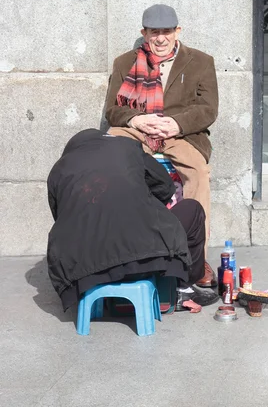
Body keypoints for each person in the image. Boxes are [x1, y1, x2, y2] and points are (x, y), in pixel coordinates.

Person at [105, 4, 218, 288]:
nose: (160, 39)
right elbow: (112, 110)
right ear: (144, 33)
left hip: (181, 134)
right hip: (139, 129)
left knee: (198, 173)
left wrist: (176, 124)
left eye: (166, 32)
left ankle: (195, 257)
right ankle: (120, 251)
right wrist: (137, 120)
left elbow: (208, 109)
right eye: (154, 32)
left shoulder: (201, 62)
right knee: (111, 158)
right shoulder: (123, 63)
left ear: (177, 31)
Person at [47, 129, 219, 312]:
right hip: (146, 259)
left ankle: (98, 296)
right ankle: (183, 288)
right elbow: (165, 187)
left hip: (83, 274)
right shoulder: (127, 147)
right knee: (192, 209)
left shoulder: (58, 170)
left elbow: (61, 216)